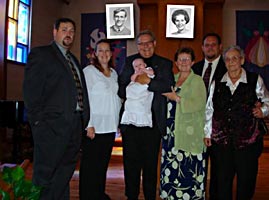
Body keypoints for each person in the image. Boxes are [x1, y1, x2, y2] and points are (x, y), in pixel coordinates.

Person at [23, 18, 90, 199]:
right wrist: (38, 123)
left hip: (74, 126)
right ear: (55, 32)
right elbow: (31, 91)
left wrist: (83, 119)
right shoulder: (41, 54)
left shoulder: (73, 59)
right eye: (64, 29)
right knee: (45, 175)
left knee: (64, 174)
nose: (68, 34)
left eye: (72, 31)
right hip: (51, 128)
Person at [204, 45, 269, 200]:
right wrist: (207, 132)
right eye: (228, 59)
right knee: (222, 182)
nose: (231, 62)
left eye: (235, 58)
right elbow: (209, 109)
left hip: (247, 142)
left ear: (242, 60)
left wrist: (263, 111)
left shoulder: (254, 80)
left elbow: (267, 101)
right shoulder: (217, 83)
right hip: (222, 142)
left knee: (246, 182)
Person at [118, 30, 174, 200]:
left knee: (150, 164)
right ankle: (131, 196)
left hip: (152, 123)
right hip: (130, 123)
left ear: (155, 43)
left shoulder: (164, 64)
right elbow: (121, 87)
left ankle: (150, 196)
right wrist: (133, 82)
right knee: (130, 164)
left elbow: (167, 86)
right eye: (141, 43)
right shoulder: (130, 62)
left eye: (148, 42)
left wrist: (149, 82)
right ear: (137, 45)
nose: (145, 46)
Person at [160, 47, 207, 200]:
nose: (184, 62)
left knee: (188, 170)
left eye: (187, 59)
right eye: (181, 59)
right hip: (170, 133)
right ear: (176, 62)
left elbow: (199, 104)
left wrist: (177, 98)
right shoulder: (171, 78)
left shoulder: (197, 80)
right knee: (172, 170)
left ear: (193, 62)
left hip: (190, 134)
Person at [79, 39, 121, 200]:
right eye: (100, 50)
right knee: (90, 166)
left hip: (109, 127)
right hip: (94, 127)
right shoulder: (89, 72)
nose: (104, 53)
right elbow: (84, 99)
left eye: (107, 50)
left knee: (102, 166)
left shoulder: (114, 73)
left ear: (111, 54)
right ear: (95, 53)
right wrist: (88, 124)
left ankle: (98, 194)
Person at [192, 32, 227, 200]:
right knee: (198, 166)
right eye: (207, 45)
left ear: (220, 47)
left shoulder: (228, 68)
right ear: (202, 48)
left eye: (214, 45)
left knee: (219, 168)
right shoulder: (195, 68)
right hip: (195, 126)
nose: (210, 48)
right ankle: (198, 195)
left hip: (219, 127)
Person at [120, 58, 155, 128]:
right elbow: (132, 79)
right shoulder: (135, 74)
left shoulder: (148, 70)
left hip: (142, 94)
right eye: (136, 66)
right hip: (131, 97)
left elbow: (152, 73)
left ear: (145, 65)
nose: (139, 67)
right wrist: (137, 74)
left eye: (140, 64)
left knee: (141, 104)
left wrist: (144, 70)